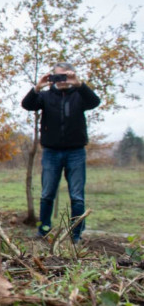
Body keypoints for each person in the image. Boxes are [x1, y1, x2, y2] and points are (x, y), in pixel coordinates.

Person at [22, 62, 100, 243]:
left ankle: (76, 234)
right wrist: (38, 87)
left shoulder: (80, 95)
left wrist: (79, 84)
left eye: (66, 76)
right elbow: (27, 105)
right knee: (47, 193)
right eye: (59, 76)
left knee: (77, 196)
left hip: (76, 151)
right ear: (52, 77)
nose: (63, 80)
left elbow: (95, 102)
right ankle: (44, 230)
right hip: (51, 152)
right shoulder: (46, 96)